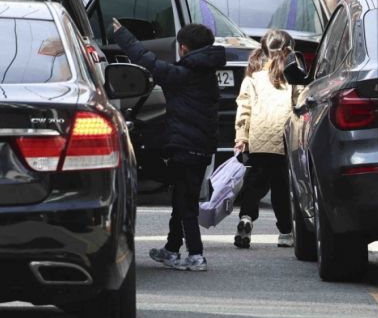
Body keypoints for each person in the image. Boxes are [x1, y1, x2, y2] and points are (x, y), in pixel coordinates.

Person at [112, 18, 226, 271]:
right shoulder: (205, 75)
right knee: (181, 197)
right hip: (200, 147)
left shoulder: (183, 75)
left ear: (183, 48)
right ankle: (172, 248)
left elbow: (149, 62)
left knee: (186, 202)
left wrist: (123, 35)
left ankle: (196, 254)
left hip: (185, 148)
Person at [233, 29, 294, 249]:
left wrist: (241, 137)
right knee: (280, 188)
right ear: (288, 50)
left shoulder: (253, 77)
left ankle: (246, 218)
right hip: (282, 140)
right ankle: (285, 232)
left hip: (258, 139)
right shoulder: (291, 78)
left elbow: (244, 108)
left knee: (254, 184)